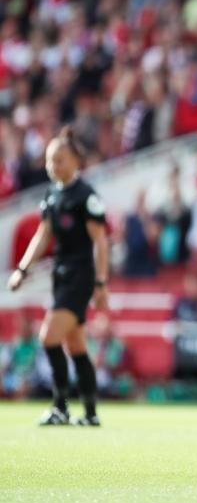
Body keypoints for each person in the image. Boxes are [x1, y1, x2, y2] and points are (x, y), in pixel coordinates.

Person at [7, 126, 109, 426]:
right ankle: (90, 414)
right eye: (51, 160)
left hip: (80, 277)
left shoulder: (85, 195)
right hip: (61, 276)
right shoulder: (51, 195)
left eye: (60, 160)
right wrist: (22, 270)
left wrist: (101, 284)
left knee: (48, 338)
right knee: (76, 347)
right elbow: (42, 236)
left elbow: (101, 242)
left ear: (75, 161)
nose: (54, 166)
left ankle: (60, 407)